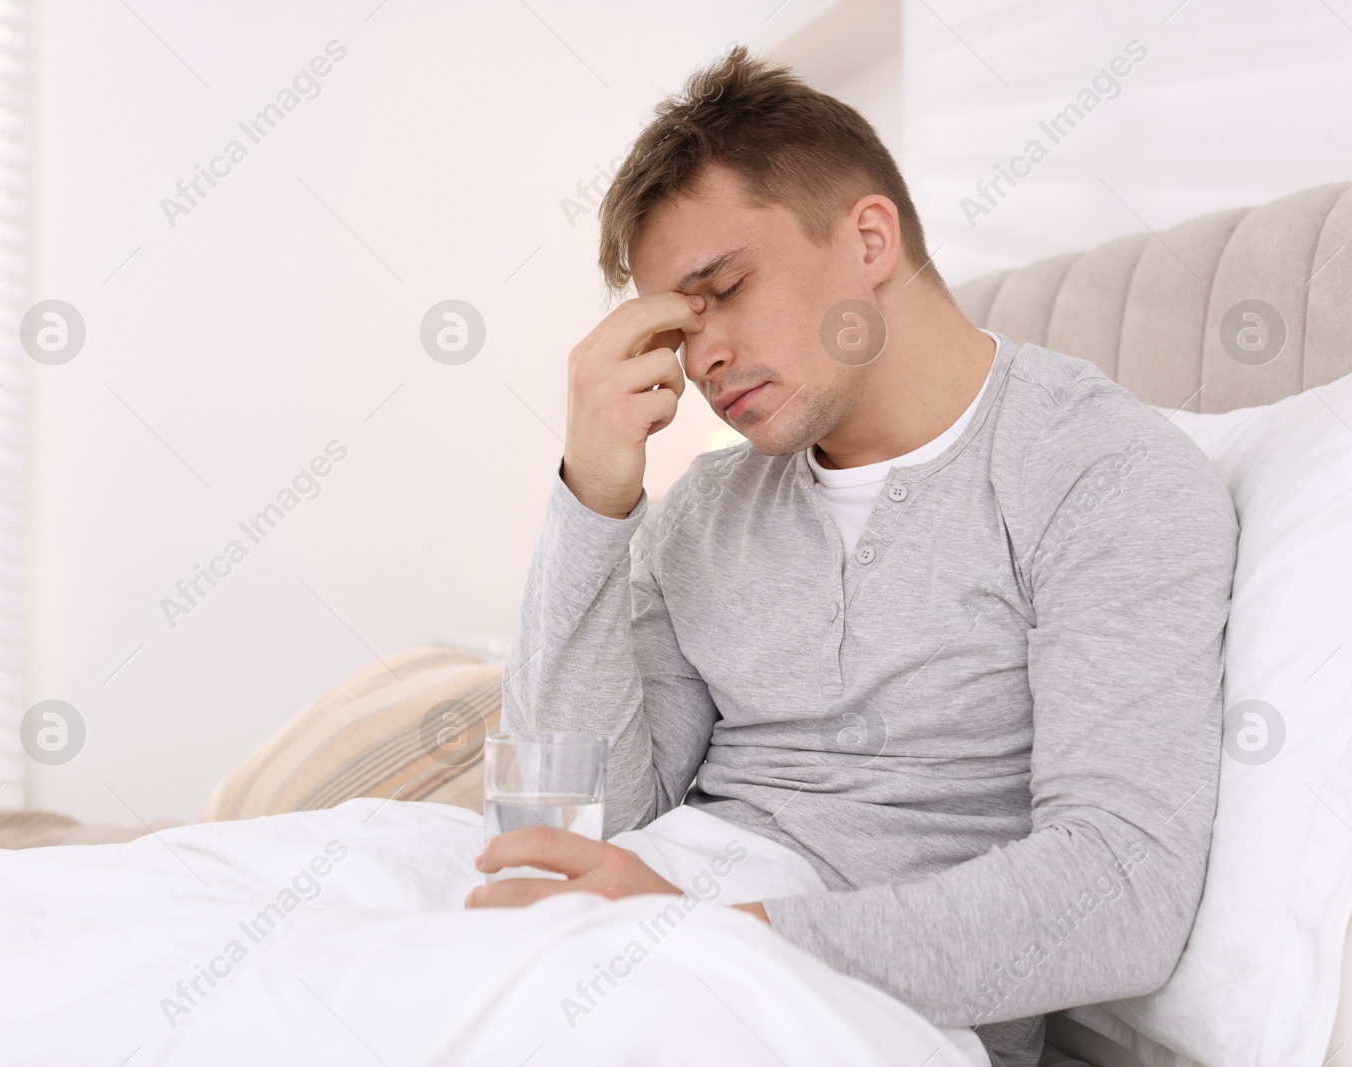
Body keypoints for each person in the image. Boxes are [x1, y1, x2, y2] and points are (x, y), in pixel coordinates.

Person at [466, 45, 1237, 1067]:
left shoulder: (1098, 471)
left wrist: (713, 936)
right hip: (627, 933)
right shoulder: (705, 508)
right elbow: (549, 813)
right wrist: (591, 498)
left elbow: (1123, 890)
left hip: (836, 996)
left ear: (869, 237)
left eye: (724, 289)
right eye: (675, 330)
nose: (701, 360)